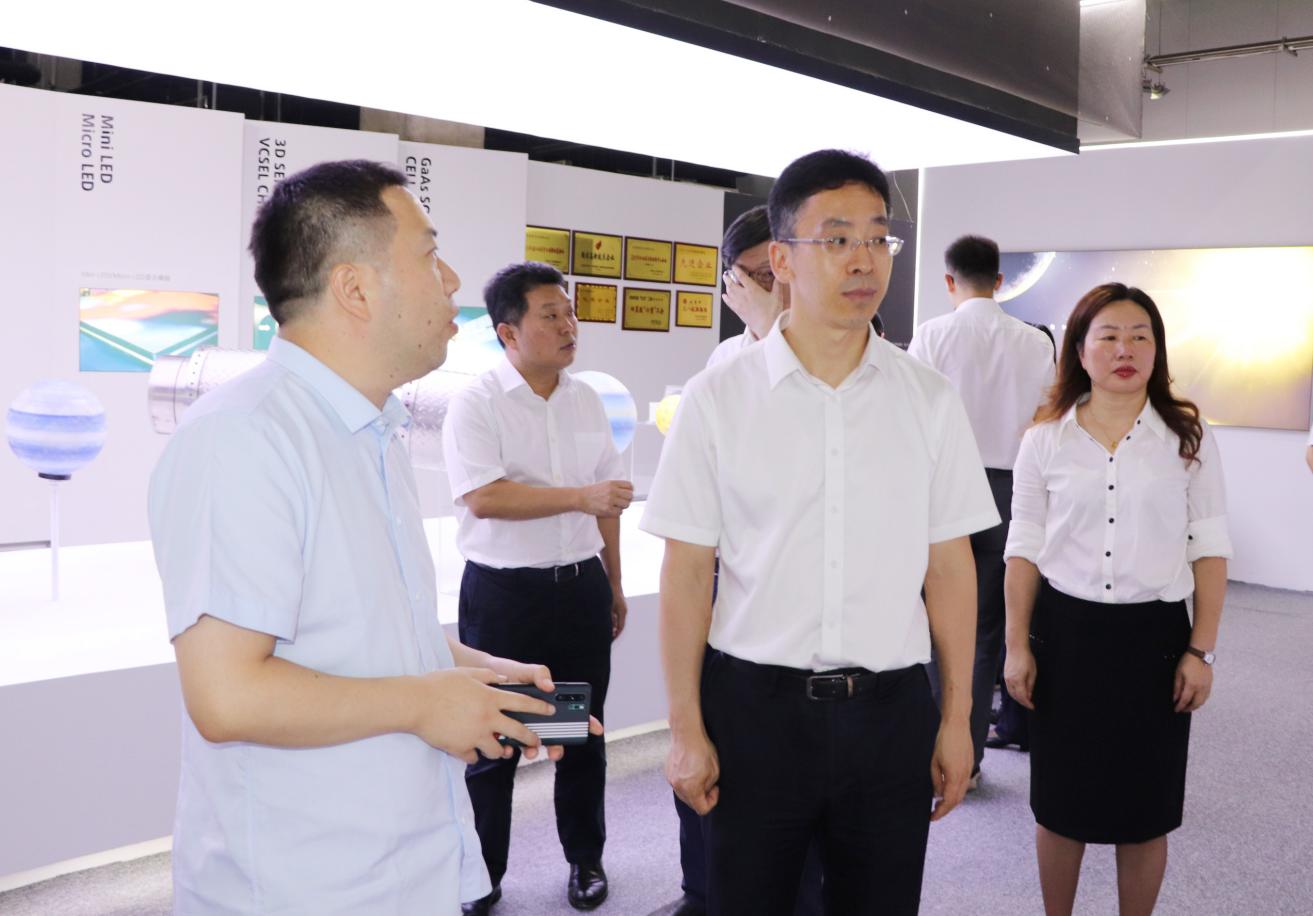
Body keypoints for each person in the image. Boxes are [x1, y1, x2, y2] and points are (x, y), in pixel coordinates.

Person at [148, 160, 597, 914]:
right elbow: (227, 695)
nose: (452, 279)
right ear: (355, 289)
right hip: (303, 887)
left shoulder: (371, 430)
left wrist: (478, 675)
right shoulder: (243, 437)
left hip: (400, 866)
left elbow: (361, 632)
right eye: (429, 254)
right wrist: (424, 703)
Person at [642, 148, 999, 915]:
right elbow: (686, 574)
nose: (863, 259)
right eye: (836, 239)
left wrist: (956, 718)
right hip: (753, 710)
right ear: (781, 260)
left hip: (889, 710)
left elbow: (949, 568)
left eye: (876, 238)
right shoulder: (718, 397)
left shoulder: (928, 399)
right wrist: (684, 728)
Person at [1003, 283, 1231, 916]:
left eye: (1139, 337)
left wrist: (1201, 652)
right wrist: (1016, 646)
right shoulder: (1044, 439)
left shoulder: (1186, 435)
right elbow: (1023, 550)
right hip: (1065, 636)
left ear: (1158, 349)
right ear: (1080, 350)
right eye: (1108, 336)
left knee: (1146, 811)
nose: (1125, 350)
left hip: (1153, 641)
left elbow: (1210, 547)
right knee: (1060, 806)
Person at [442, 261, 631, 914]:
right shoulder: (476, 401)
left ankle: (585, 861)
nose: (569, 325)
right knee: (492, 740)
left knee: (580, 734)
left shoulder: (586, 400)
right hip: (504, 599)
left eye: (570, 312)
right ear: (508, 332)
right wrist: (579, 497)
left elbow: (608, 502)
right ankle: (483, 876)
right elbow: (484, 497)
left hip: (578, 589)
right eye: (551, 315)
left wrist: (614, 582)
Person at [672, 205, 822, 916]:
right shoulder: (724, 366)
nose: (778, 287)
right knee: (712, 768)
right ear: (732, 281)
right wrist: (763, 330)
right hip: (733, 605)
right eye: (761, 276)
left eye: (783, 270)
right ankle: (700, 890)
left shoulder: (855, 352)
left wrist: (771, 322)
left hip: (811, 624)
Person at [908, 235, 1055, 781]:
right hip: (1011, 492)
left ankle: (929, 756)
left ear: (949, 281)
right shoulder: (1035, 342)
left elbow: (910, 417)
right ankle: (965, 763)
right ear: (999, 281)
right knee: (986, 630)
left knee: (932, 626)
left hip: (943, 491)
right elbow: (1049, 416)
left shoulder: (932, 335)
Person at [706, 205, 787, 369]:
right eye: (741, 276)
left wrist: (768, 328)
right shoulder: (724, 355)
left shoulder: (830, 348)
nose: (753, 289)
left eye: (767, 273)